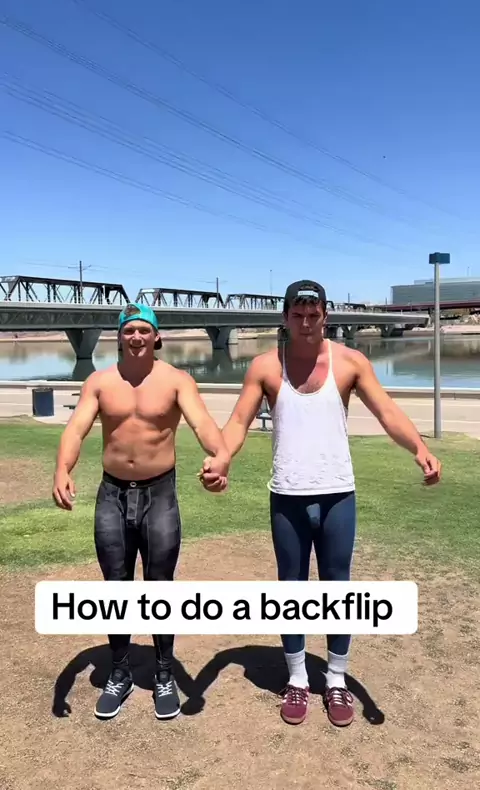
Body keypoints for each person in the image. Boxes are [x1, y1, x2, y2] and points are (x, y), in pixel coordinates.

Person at [200, 280, 441, 728]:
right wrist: (222, 458)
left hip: (337, 494)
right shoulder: (265, 367)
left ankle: (335, 679)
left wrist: (418, 448)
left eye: (314, 315)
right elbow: (237, 422)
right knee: (290, 591)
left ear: (325, 316)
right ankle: (296, 679)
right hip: (288, 496)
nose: (306, 322)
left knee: (337, 590)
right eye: (298, 314)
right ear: (286, 318)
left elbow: (387, 410)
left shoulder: (350, 362)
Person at [52, 302, 230, 721]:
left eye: (143, 330)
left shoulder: (177, 381)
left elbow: (204, 425)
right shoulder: (99, 382)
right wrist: (62, 468)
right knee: (115, 587)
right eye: (129, 330)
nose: (136, 337)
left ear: (156, 336)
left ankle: (164, 673)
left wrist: (220, 457)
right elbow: (76, 429)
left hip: (159, 495)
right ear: (119, 336)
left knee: (160, 586)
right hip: (112, 495)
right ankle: (120, 672)